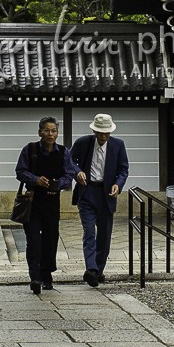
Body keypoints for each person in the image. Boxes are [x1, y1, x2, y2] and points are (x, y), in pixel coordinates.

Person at [15, 116, 80, 295]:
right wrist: (36, 180)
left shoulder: (63, 152)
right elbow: (20, 172)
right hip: (33, 201)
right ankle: (35, 276)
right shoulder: (30, 149)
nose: (50, 134)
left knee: (51, 239)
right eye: (47, 130)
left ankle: (47, 274)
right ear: (40, 132)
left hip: (52, 201)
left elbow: (69, 174)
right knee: (33, 240)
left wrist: (57, 184)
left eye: (53, 131)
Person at [69, 113, 129, 287]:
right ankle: (92, 270)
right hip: (87, 192)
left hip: (107, 194)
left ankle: (99, 270)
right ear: (94, 131)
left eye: (106, 133)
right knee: (89, 233)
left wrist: (118, 184)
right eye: (100, 133)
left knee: (104, 235)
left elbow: (123, 169)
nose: (103, 136)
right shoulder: (83, 143)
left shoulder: (118, 145)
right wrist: (77, 172)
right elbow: (70, 160)